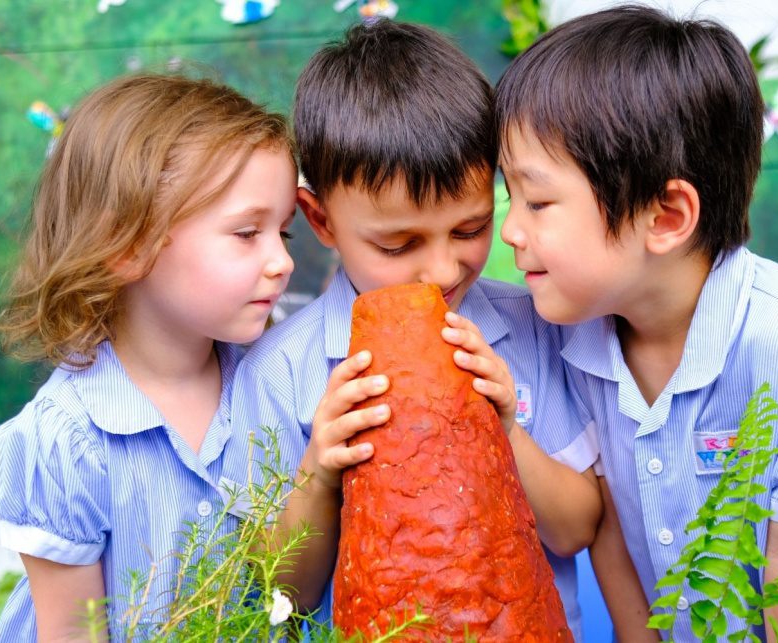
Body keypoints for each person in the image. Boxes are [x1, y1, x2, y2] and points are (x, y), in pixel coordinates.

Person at [496, 5, 778, 641]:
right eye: (511, 198)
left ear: (666, 216)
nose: (511, 230)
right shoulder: (580, 337)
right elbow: (609, 527)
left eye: (537, 202)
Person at [231, 19, 602, 640]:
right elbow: (282, 591)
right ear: (320, 219)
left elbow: (576, 528)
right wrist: (320, 473)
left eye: (469, 229)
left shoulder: (531, 328)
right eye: (399, 243)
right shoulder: (281, 369)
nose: (441, 267)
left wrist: (507, 427)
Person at [0, 73, 297, 641]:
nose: (281, 261)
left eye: (285, 234)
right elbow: (75, 634)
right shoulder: (66, 443)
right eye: (248, 233)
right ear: (127, 244)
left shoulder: (271, 382)